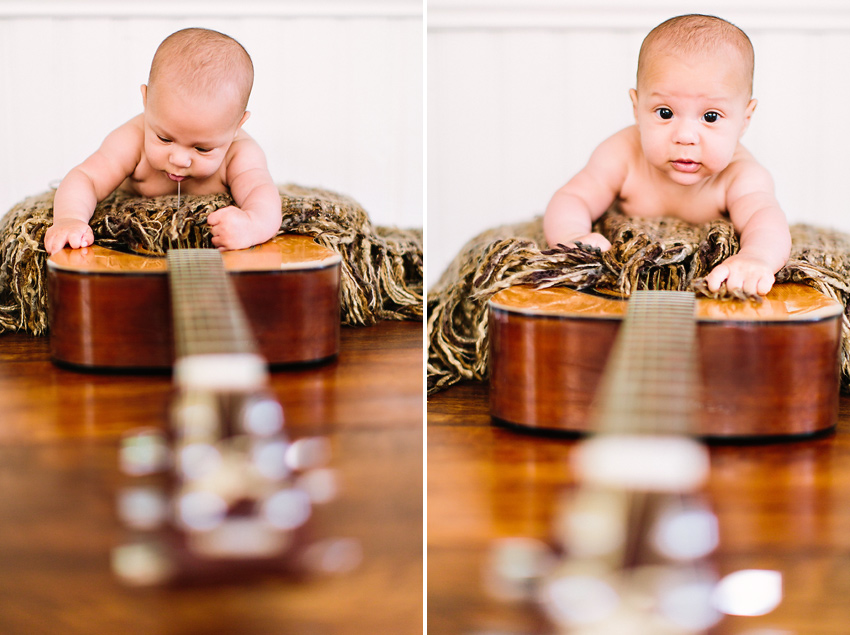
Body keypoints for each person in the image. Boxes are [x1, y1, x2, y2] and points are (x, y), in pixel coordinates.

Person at [543, 14, 791, 296]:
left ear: (744, 119)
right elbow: (573, 197)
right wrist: (571, 236)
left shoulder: (740, 175)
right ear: (637, 109)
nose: (685, 136)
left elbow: (766, 218)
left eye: (710, 117)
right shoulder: (622, 154)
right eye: (665, 112)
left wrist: (757, 257)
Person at [44, 27, 281, 255]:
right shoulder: (132, 140)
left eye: (202, 148)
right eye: (164, 138)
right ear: (146, 101)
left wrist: (253, 225)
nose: (179, 159)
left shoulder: (240, 154)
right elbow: (86, 178)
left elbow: (262, 195)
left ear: (237, 126)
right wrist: (69, 218)